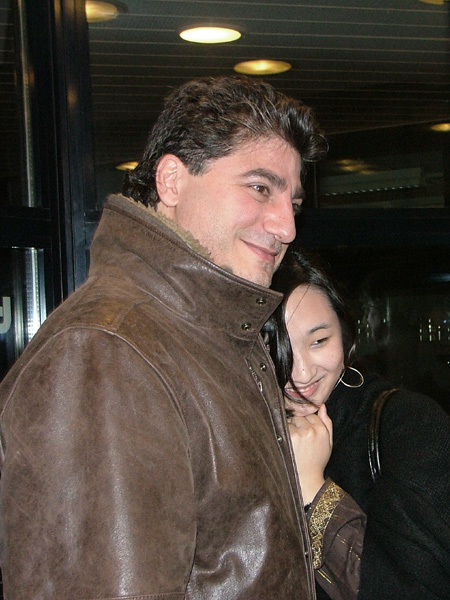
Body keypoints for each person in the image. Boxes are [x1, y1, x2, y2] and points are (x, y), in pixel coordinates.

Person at [0, 75, 329, 600]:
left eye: (292, 198)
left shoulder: (203, 335)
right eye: (260, 188)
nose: (286, 225)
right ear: (171, 181)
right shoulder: (109, 350)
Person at [266, 249, 450, 600]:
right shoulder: (243, 432)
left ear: (347, 336)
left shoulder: (408, 424)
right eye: (278, 349)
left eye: (319, 341)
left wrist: (313, 491)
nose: (301, 372)